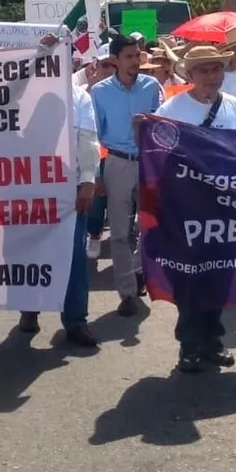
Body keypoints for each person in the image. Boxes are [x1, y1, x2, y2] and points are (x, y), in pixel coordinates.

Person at [152, 45, 236, 372]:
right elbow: (157, 156)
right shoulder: (172, 109)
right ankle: (189, 344)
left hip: (225, 207)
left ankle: (213, 340)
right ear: (190, 75)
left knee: (220, 275)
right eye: (204, 70)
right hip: (186, 209)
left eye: (216, 70)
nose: (211, 76)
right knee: (188, 276)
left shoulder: (235, 107)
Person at [17, 75, 102, 348]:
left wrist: (88, 181)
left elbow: (88, 140)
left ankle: (76, 320)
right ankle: (29, 308)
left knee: (74, 256)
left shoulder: (80, 97)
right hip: (28, 186)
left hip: (69, 189)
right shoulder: (22, 94)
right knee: (29, 251)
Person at [91, 35, 164, 315]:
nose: (136, 61)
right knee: (120, 232)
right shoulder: (99, 92)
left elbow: (163, 124)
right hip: (117, 164)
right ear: (115, 60)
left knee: (150, 226)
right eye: (130, 56)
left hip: (149, 163)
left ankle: (138, 270)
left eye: (138, 55)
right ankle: (127, 293)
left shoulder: (151, 86)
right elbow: (95, 136)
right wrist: (96, 173)